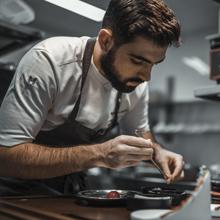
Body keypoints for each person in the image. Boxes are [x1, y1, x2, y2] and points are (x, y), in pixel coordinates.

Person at [0, 0, 184, 196]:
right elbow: (6, 157)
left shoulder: (136, 84)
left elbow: (141, 134)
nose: (146, 76)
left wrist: (157, 151)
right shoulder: (50, 61)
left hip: (69, 192)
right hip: (15, 194)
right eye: (138, 60)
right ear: (106, 41)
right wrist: (99, 154)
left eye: (154, 64)